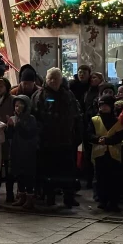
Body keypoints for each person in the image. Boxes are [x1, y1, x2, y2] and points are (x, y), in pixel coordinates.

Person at [31, 67, 83, 209]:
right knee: (48, 171)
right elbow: (35, 117)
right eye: (50, 78)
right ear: (46, 79)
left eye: (56, 78)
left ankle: (69, 197)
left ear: (61, 80)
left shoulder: (69, 95)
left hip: (66, 141)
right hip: (47, 142)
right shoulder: (39, 95)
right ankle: (49, 197)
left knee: (68, 171)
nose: (53, 81)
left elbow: (77, 115)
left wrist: (77, 135)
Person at [88, 95, 123, 212]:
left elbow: (120, 136)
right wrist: (97, 139)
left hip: (114, 155)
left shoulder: (118, 121)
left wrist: (108, 141)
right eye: (101, 105)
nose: (103, 108)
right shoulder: (94, 120)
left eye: (106, 105)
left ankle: (113, 201)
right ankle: (102, 200)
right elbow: (89, 134)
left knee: (114, 179)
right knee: (100, 178)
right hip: (99, 154)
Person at [7, 95, 39, 209]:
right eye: (16, 106)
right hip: (16, 150)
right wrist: (10, 127)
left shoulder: (31, 119)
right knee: (19, 174)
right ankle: (21, 196)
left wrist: (18, 125)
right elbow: (10, 136)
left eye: (20, 105)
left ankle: (30, 197)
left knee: (28, 175)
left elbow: (29, 134)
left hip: (28, 151)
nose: (18, 108)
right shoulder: (13, 118)